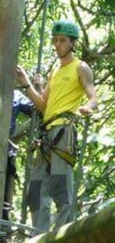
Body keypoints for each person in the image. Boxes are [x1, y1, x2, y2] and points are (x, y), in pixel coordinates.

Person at [15, 20, 97, 233]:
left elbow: (93, 96)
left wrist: (87, 107)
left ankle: (63, 235)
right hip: (47, 133)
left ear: (72, 43)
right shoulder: (55, 72)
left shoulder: (80, 67)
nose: (57, 44)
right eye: (55, 40)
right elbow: (43, 106)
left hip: (63, 131)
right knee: (36, 188)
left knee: (61, 187)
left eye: (62, 40)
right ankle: (39, 235)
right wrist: (26, 83)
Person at [3, 86, 35, 224]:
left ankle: (4, 219)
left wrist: (36, 87)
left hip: (5, 150)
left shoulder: (14, 95)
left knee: (6, 188)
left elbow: (35, 109)